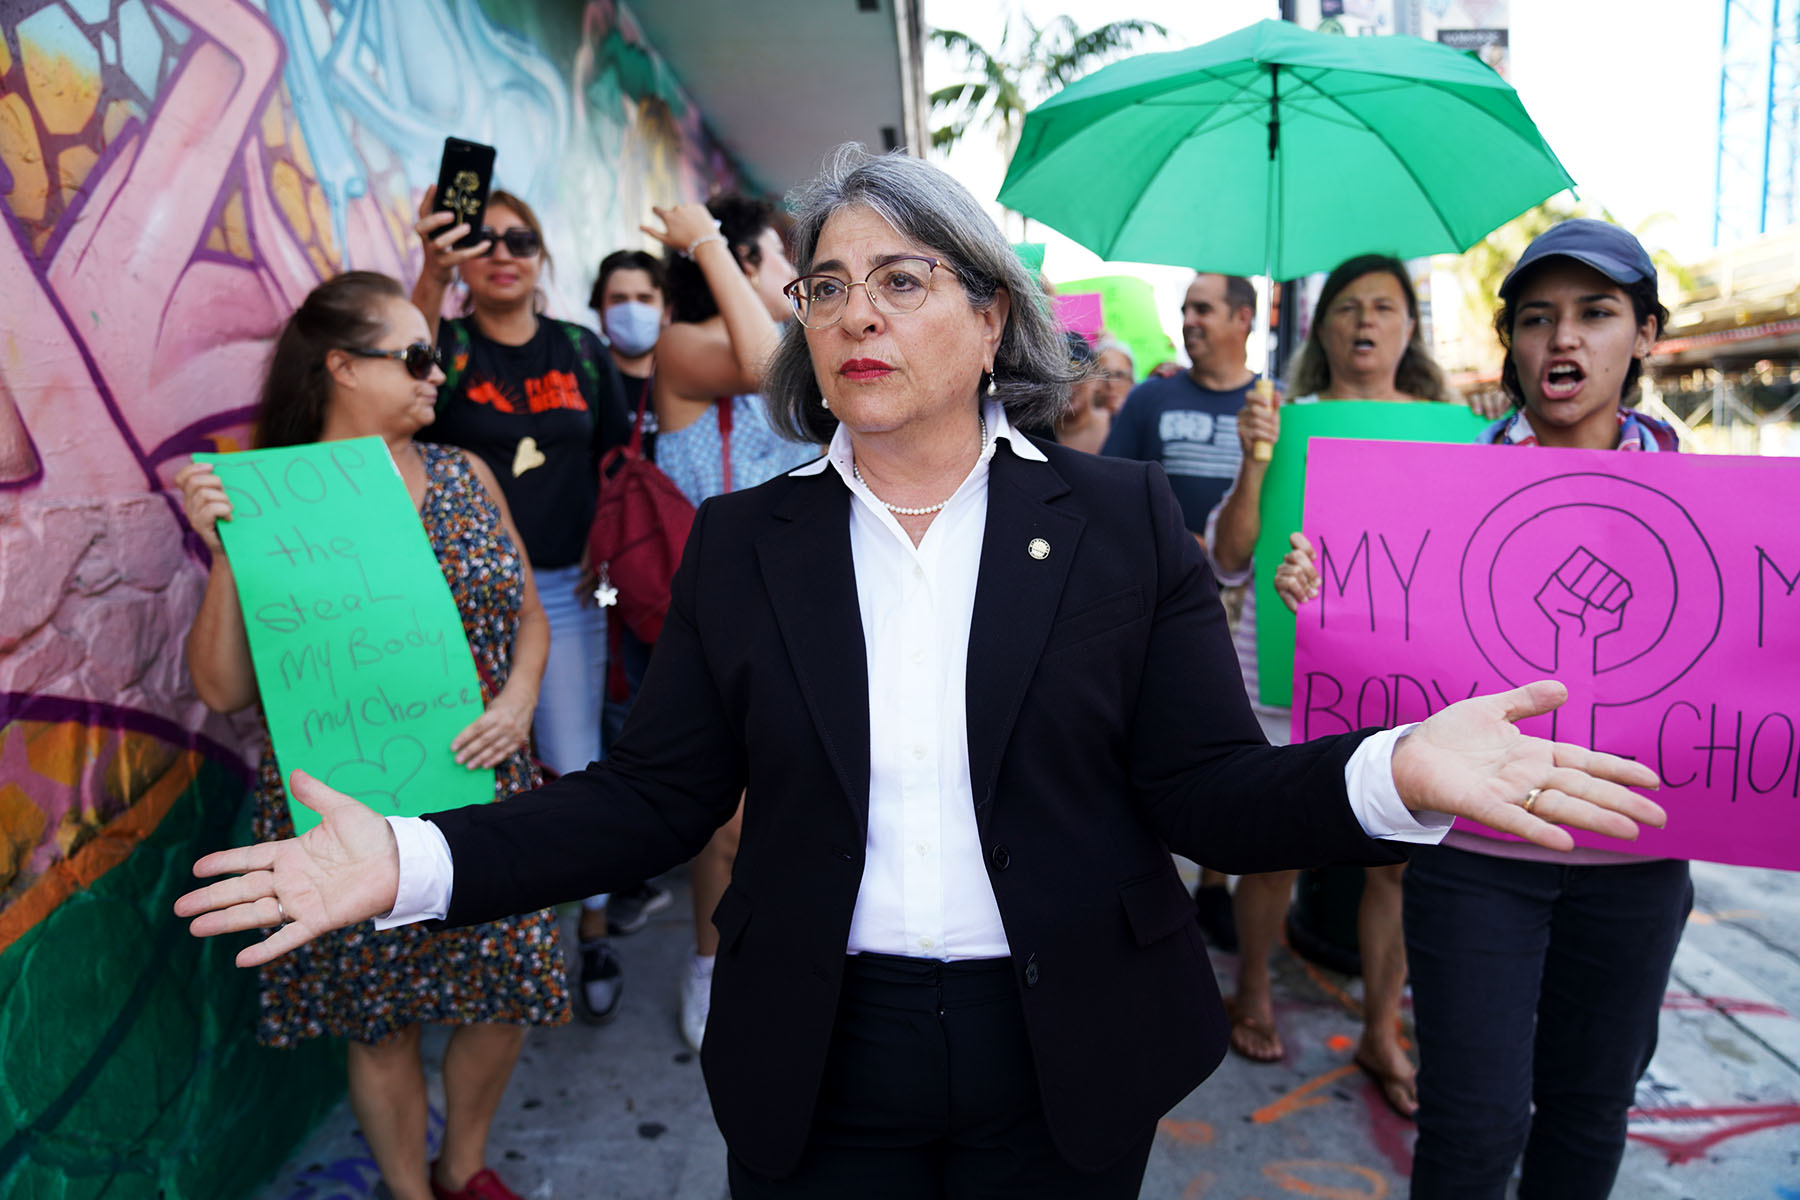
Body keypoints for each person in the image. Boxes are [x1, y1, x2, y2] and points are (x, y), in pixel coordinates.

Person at [177, 150, 1665, 1200]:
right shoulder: (751, 543)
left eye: (901, 278)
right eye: (826, 289)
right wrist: (415, 858)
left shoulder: (1114, 522)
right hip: (822, 1060)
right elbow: (651, 800)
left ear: (991, 318)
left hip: (1068, 1048)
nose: (855, 313)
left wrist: (1394, 771)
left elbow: (1204, 790)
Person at [1271, 220, 1687, 1198]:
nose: (1564, 341)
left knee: (1589, 1113)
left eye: (1596, 314)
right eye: (1538, 319)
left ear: (1647, 336)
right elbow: (1386, 631)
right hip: (1479, 863)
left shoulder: (1708, 493)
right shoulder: (1441, 483)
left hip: (1634, 860)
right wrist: (1324, 597)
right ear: (1514, 343)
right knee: (1472, 1124)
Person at [174, 271, 566, 1200]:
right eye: (419, 356)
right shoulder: (265, 498)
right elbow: (221, 686)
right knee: (377, 1017)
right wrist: (231, 553)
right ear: (343, 366)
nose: (440, 375)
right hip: (340, 808)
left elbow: (532, 615)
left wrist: (517, 700)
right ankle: (410, 1189)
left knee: (506, 983)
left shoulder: (466, 474)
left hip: (482, 787)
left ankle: (464, 1165)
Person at [1206, 253, 1458, 1115]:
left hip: (1406, 687)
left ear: (1410, 326)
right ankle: (1254, 992)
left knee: (1395, 866)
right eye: (1348, 306)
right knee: (1275, 853)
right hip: (1289, 682)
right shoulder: (1285, 420)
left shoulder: (1456, 432)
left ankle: (1384, 1029)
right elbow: (1233, 557)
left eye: (1383, 306)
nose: (1364, 321)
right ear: (1321, 328)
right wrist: (1255, 460)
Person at [411, 188, 633, 1024]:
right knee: (469, 764)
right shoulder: (452, 345)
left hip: (567, 594)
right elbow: (402, 375)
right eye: (486, 239)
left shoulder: (580, 349)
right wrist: (430, 276)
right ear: (464, 259)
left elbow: (617, 458)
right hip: (456, 597)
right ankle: (487, 933)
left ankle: (595, 927)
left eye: (523, 239)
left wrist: (603, 551)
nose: (505, 251)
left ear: (542, 258)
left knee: (576, 765)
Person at [639, 194, 818, 1050]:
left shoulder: (807, 340)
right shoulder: (681, 344)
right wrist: (711, 243)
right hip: (719, 610)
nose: (798, 272)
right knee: (732, 820)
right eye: (781, 257)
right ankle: (710, 964)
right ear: (744, 262)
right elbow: (768, 375)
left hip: (807, 600)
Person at [1101, 271, 1265, 948]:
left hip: (1251, 609)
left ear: (1244, 318)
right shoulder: (1151, 398)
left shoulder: (1276, 405)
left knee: (1234, 742)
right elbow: (1110, 492)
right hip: (1161, 599)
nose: (1190, 320)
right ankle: (1153, 876)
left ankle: (1216, 885)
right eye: (1185, 309)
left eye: (1204, 309)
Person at [588, 247, 677, 937]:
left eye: (644, 296)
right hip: (609, 583)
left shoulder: (687, 377)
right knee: (623, 710)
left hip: (678, 578)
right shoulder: (585, 380)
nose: (631, 310)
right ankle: (633, 872)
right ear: (596, 309)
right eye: (618, 297)